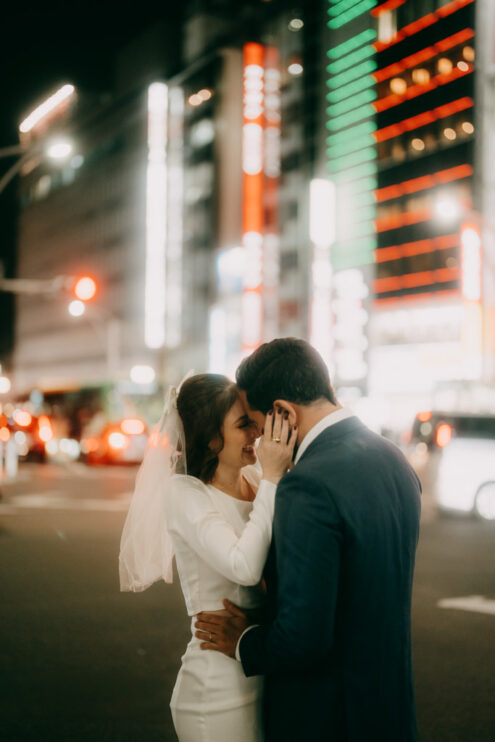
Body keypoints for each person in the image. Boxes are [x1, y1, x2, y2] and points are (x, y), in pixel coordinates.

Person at [194, 338, 422, 742]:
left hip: (327, 717)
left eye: (258, 424)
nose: (259, 439)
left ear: (282, 412)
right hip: (389, 709)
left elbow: (304, 637)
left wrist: (244, 641)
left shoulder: (307, 484)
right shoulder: (393, 458)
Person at [119, 373, 296, 742]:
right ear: (210, 436)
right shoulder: (184, 492)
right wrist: (274, 479)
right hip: (215, 690)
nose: (256, 434)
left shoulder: (255, 477)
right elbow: (243, 566)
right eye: (243, 425)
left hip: (260, 665)